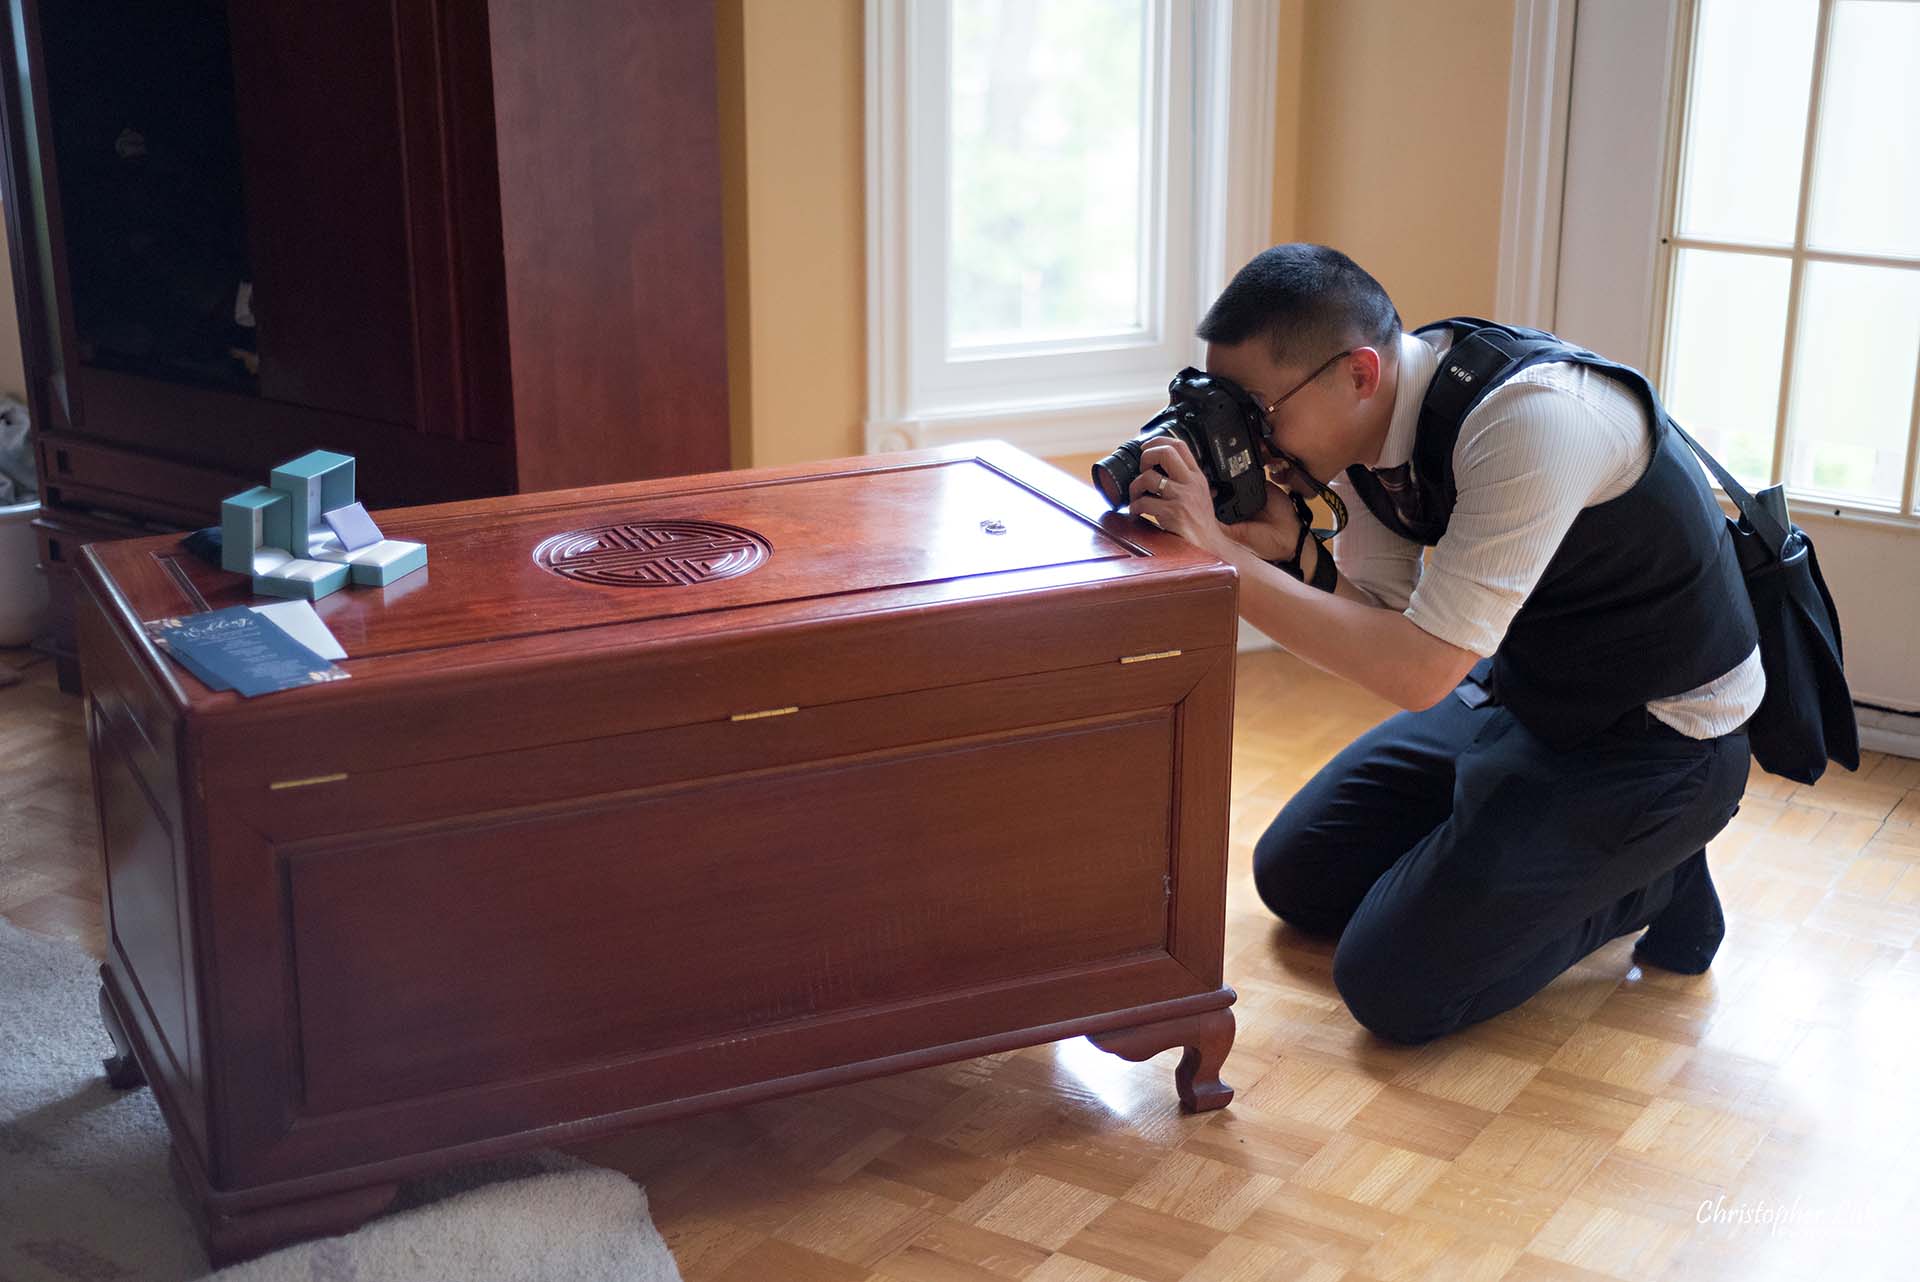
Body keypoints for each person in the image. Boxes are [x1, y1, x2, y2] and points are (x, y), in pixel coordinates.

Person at [1126, 244, 1760, 1045]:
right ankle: (1523, 838)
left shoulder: (1530, 422)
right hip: (1525, 692)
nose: (1250, 435)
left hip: (1658, 741)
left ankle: (1653, 873)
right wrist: (1292, 556)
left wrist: (1226, 559)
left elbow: (1418, 671)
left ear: (1358, 372)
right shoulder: (1362, 428)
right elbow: (1386, 618)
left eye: (1258, 406)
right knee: (1299, 875)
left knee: (1393, 989)